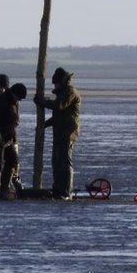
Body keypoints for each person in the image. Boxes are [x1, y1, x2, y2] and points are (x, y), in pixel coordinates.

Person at [34, 67, 82, 200]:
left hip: (69, 132)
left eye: (56, 83)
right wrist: (44, 125)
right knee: (56, 161)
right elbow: (58, 116)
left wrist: (42, 102)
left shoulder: (70, 92)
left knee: (65, 162)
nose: (55, 86)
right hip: (59, 131)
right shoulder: (62, 93)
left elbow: (58, 106)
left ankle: (66, 192)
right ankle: (57, 190)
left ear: (62, 81)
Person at [0, 83, 27, 198]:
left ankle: (5, 187)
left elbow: (14, 119)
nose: (19, 100)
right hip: (0, 137)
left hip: (9, 137)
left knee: (13, 161)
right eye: (19, 97)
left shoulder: (13, 101)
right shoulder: (4, 101)